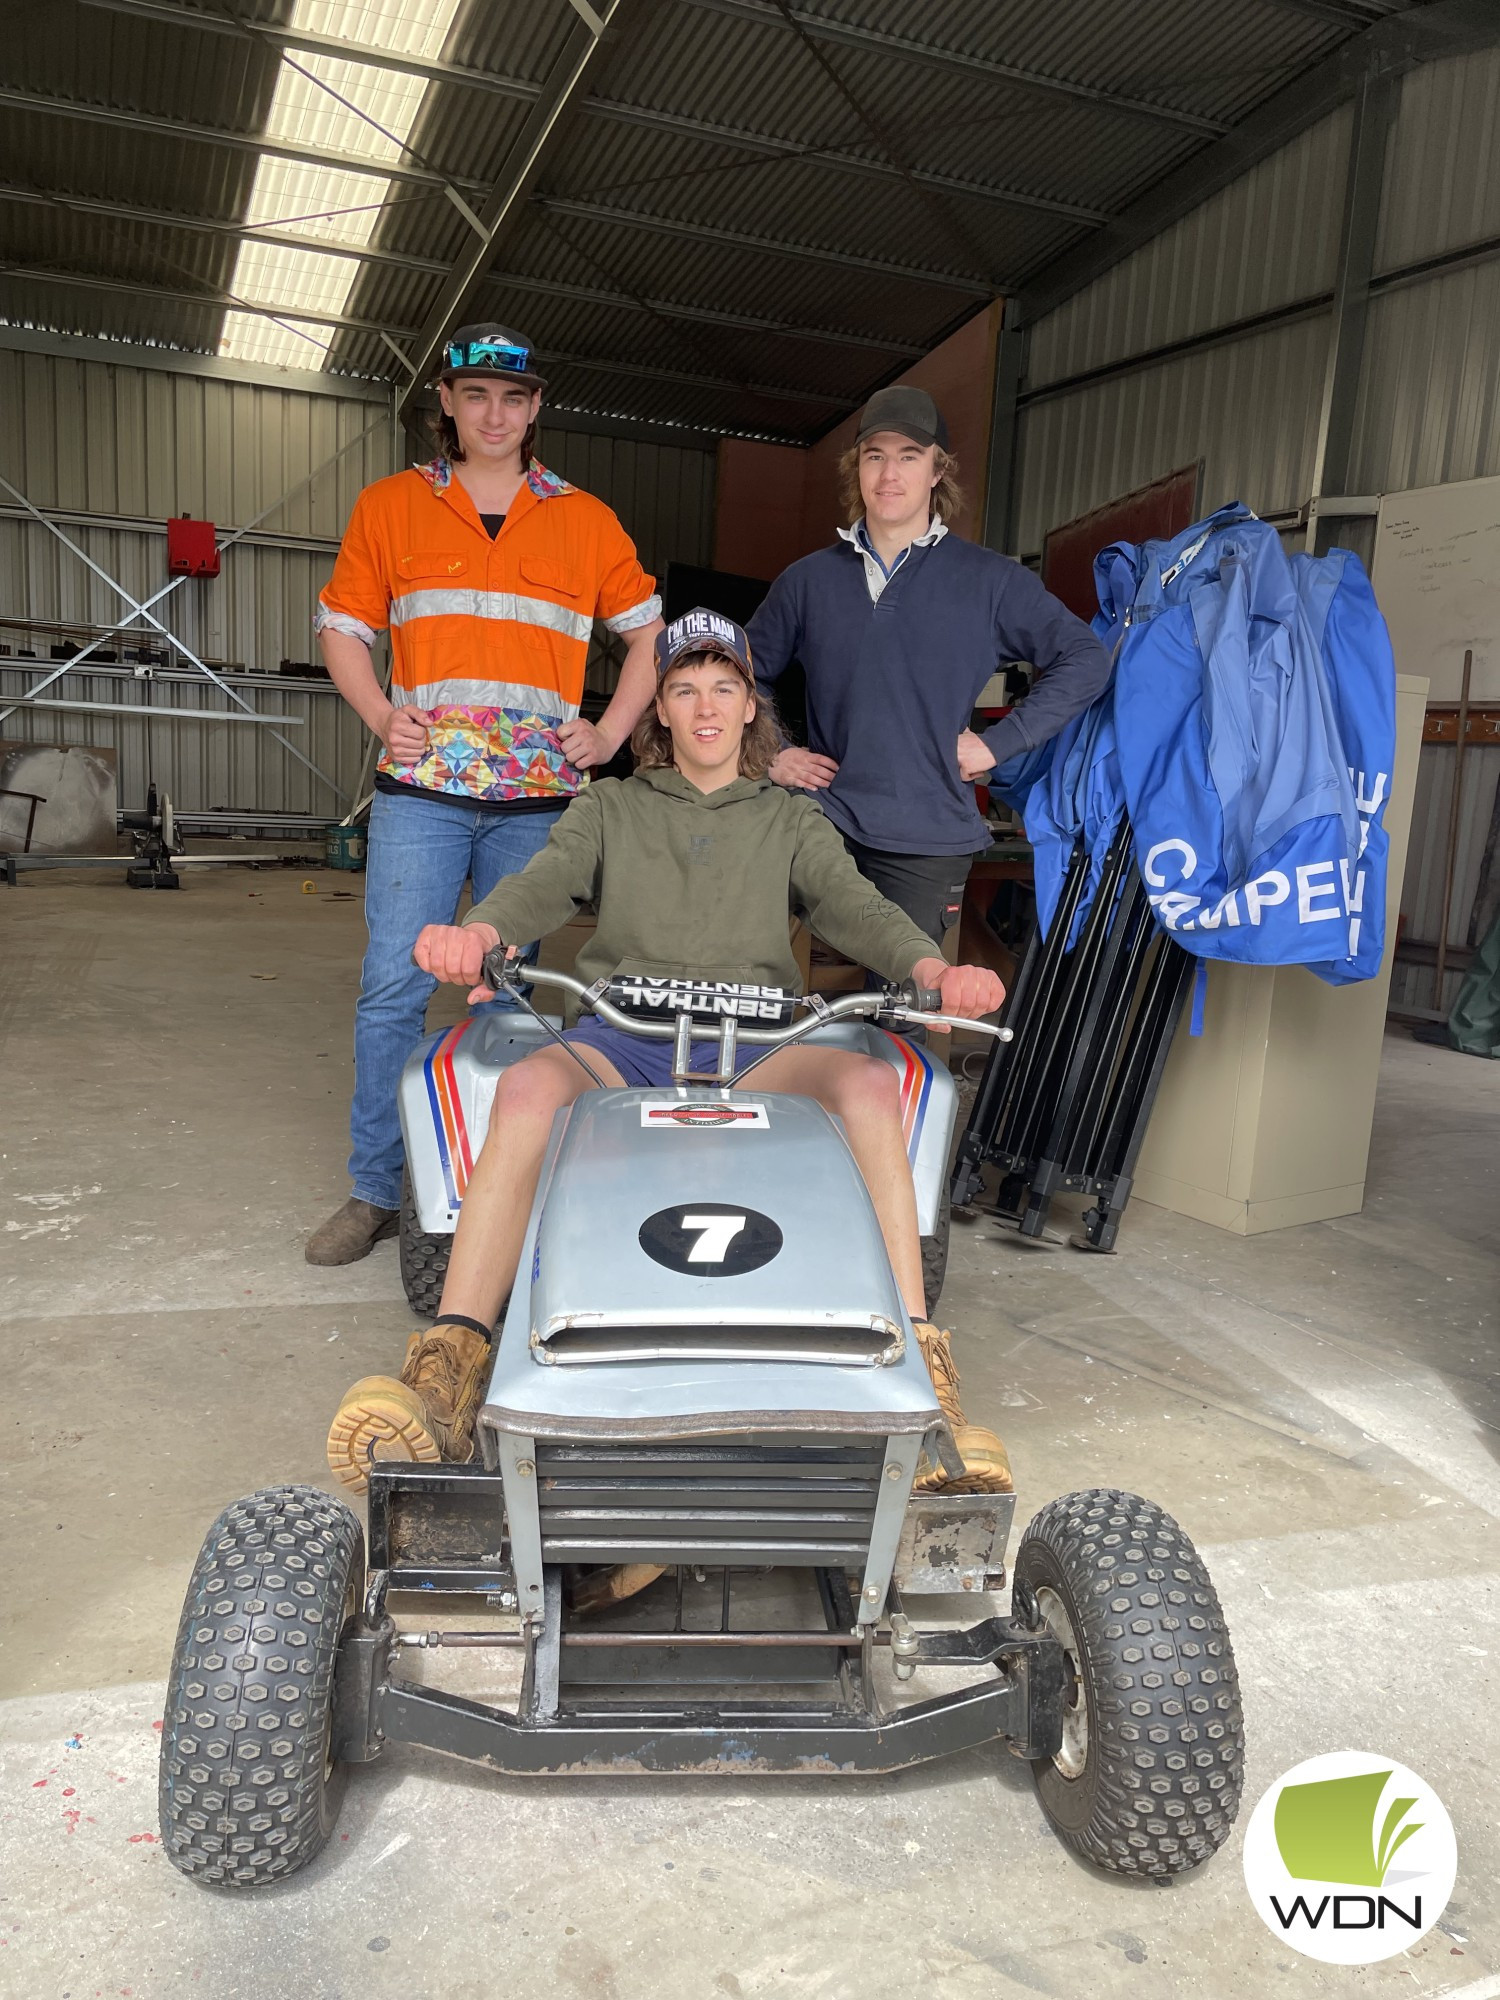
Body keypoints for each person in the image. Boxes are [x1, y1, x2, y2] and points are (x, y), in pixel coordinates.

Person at [326, 608, 1012, 1509]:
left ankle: (924, 1387)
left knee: (874, 1082)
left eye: (724, 687)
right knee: (529, 1085)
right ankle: (448, 1374)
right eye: (683, 688)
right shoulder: (610, 804)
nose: (704, 706)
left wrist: (931, 969)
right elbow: (545, 880)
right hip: (625, 1033)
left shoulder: (791, 818)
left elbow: (854, 906)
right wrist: (483, 931)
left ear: (750, 706)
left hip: (764, 1042)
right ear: (658, 710)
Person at [306, 324, 664, 1266]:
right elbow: (341, 628)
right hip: (422, 790)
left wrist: (613, 733)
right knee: (393, 985)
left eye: (513, 398)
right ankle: (374, 1188)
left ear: (536, 408)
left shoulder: (586, 518)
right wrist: (383, 714)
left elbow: (648, 634)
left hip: (538, 804)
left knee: (502, 996)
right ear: (449, 404)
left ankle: (485, 1185)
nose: (494, 414)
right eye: (476, 396)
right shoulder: (391, 507)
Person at [747, 383, 1112, 949]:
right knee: (765, 990)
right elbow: (738, 678)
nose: (889, 474)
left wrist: (998, 744)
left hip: (928, 835)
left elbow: (1085, 657)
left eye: (909, 457)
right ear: (858, 469)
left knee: (902, 1013)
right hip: (822, 818)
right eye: (875, 457)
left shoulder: (990, 582)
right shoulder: (808, 581)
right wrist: (773, 755)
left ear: (937, 471)